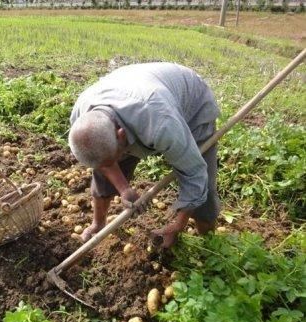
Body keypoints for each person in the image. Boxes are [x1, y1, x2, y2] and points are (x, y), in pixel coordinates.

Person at [68, 62, 221, 248]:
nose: (110, 165)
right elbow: (103, 163)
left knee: (203, 191)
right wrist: (124, 189)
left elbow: (195, 175)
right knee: (104, 168)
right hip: (137, 93)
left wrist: (178, 225)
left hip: (192, 104)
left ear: (121, 134)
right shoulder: (82, 115)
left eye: (113, 159)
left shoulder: (162, 124)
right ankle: (98, 225)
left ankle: (210, 244)